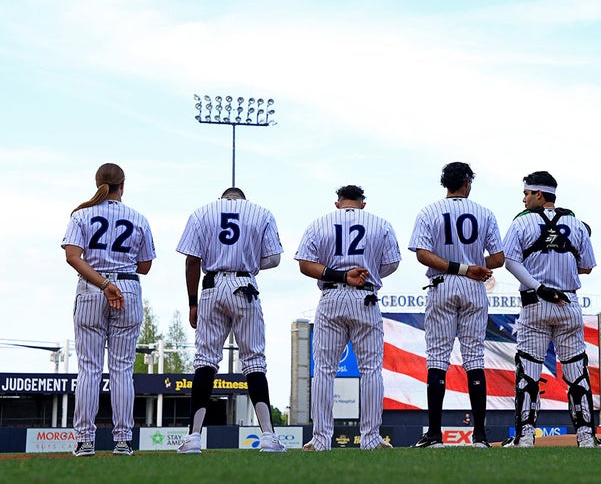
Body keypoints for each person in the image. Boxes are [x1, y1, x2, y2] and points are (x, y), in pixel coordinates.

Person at [175, 187, 286, 454]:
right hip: (244, 283)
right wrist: (247, 257)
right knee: (254, 360)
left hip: (211, 287)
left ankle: (193, 438)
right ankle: (268, 437)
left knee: (205, 360)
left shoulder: (202, 212)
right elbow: (274, 258)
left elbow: (192, 261)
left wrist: (192, 302)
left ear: (223, 198)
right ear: (242, 200)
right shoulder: (260, 213)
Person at [296, 185, 401, 451]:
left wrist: (340, 275)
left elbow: (305, 264)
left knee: (324, 370)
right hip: (365, 297)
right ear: (362, 204)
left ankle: (320, 439)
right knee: (371, 370)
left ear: (338, 203)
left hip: (331, 297)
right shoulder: (380, 223)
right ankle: (370, 438)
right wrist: (367, 274)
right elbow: (391, 264)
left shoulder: (320, 223)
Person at [62, 163, 156, 457]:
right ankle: (123, 441)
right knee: (122, 369)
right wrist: (114, 279)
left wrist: (103, 283)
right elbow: (145, 266)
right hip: (127, 288)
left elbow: (72, 257)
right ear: (122, 185)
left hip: (93, 288)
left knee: (89, 368)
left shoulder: (81, 215)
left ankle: (85, 441)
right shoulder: (138, 217)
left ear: (97, 184)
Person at [408, 162, 504, 449]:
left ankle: (434, 435)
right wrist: (473, 267)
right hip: (474, 287)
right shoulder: (484, 212)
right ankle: (480, 437)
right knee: (474, 358)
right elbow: (498, 259)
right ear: (467, 182)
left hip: (443, 283)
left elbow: (423, 254)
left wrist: (462, 268)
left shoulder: (428, 211)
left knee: (437, 358)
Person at [500, 171, 598, 448]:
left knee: (528, 371)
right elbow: (587, 265)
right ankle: (586, 436)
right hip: (568, 303)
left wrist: (538, 284)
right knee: (577, 372)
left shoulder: (521, 223)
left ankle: (526, 436)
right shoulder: (576, 223)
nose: (524, 199)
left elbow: (509, 261)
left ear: (539, 194)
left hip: (536, 304)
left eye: (527, 193)